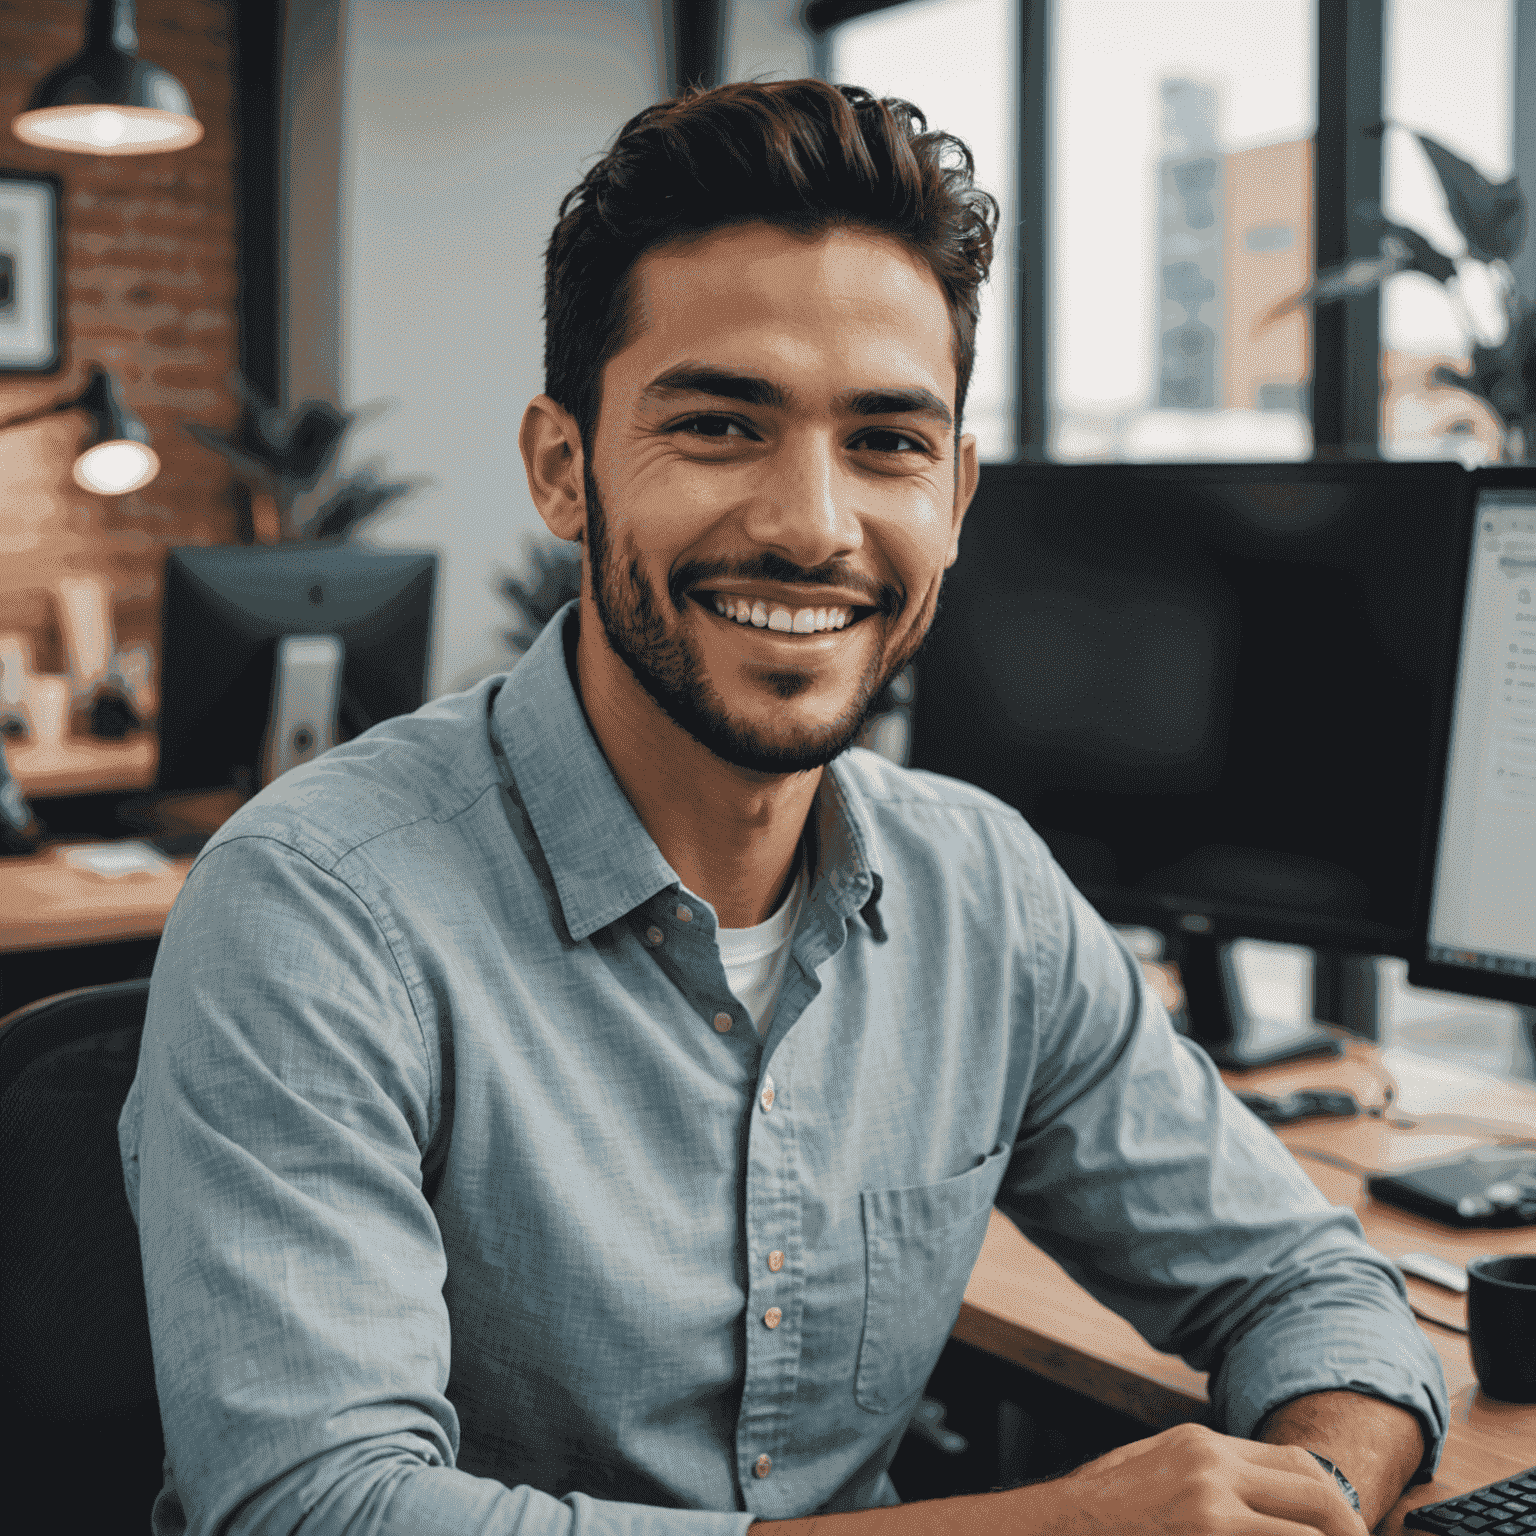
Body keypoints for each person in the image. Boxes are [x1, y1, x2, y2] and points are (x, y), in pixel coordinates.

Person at [121, 78, 1446, 1536]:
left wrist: (1313, 1494)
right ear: (564, 470)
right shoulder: (316, 907)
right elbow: (317, 1515)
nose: (813, 523)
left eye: (886, 441)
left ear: (954, 493)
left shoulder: (981, 891)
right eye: (720, 426)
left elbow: (1310, 1288)